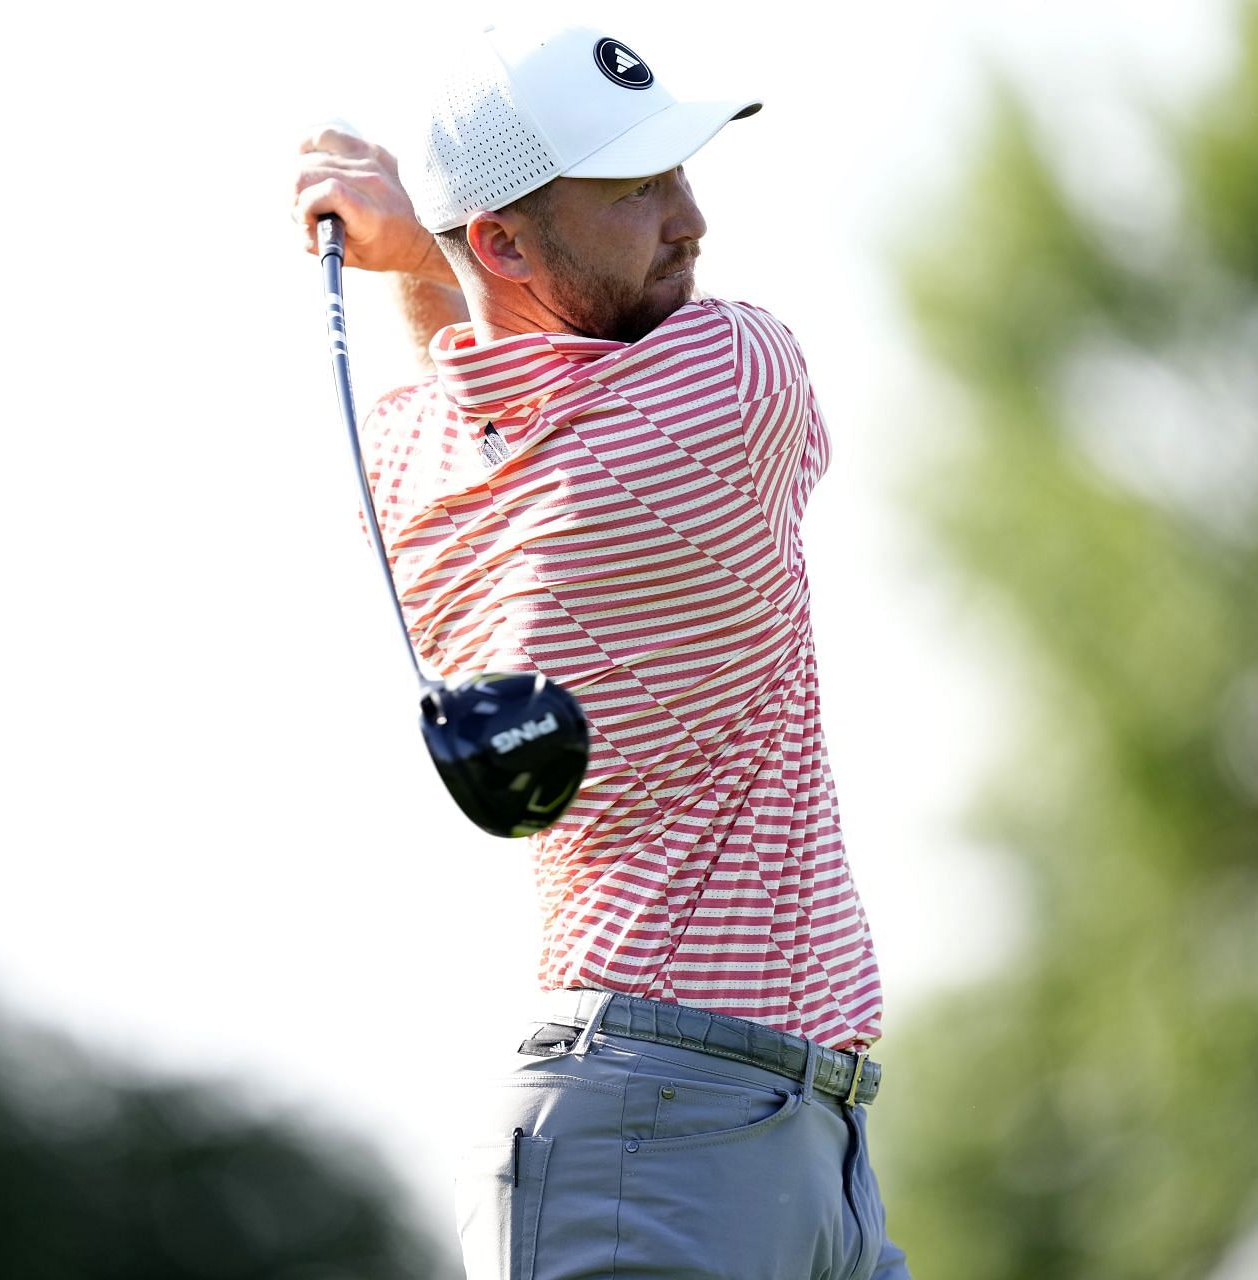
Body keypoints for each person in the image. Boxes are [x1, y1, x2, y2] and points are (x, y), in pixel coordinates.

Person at [292, 21, 912, 1280]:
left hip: (763, 1129)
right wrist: (424, 247)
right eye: (634, 191)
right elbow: (542, 388)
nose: (690, 218)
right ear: (506, 240)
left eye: (679, 172)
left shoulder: (408, 477)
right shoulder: (734, 383)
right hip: (668, 1132)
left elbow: (486, 384)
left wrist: (430, 259)